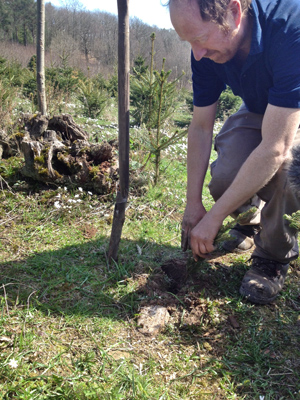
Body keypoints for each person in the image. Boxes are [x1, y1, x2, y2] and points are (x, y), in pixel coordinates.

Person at [168, 0, 300, 304]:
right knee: (227, 173)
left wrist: (213, 218)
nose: (197, 53)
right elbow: (201, 127)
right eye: (189, 42)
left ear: (234, 12)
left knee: (287, 171)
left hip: (294, 111)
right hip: (258, 107)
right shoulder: (204, 52)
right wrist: (193, 206)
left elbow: (276, 147)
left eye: (200, 39)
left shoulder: (289, 29)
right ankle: (248, 223)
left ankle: (273, 255)